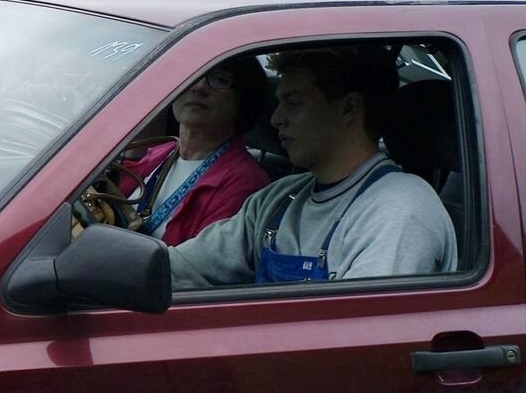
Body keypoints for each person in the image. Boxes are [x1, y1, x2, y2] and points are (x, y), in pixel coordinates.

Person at [168, 45, 456, 287]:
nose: (275, 119)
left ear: (349, 108)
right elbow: (178, 268)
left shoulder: (400, 213)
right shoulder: (276, 200)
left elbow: (362, 338)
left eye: (293, 104)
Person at [119, 56, 272, 246]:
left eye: (220, 79)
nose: (199, 86)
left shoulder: (245, 184)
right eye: (193, 73)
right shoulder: (162, 152)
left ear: (244, 100)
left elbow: (196, 269)